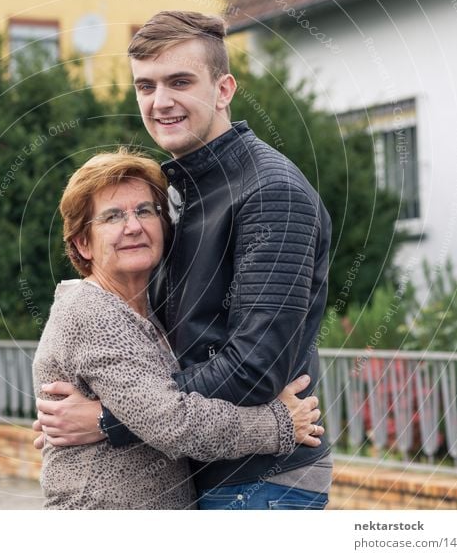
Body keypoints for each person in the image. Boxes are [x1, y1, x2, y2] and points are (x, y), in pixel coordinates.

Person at [34, 11, 333, 510]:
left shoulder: (269, 193)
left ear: (223, 90)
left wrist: (110, 419)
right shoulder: (181, 195)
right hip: (206, 471)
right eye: (145, 86)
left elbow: (256, 367)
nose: (161, 101)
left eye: (179, 82)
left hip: (261, 480)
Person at [34, 149, 324, 509]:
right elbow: (172, 421)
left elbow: (151, 409)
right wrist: (275, 425)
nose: (133, 226)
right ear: (82, 243)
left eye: (145, 210)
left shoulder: (141, 311)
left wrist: (103, 420)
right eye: (112, 217)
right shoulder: (92, 313)